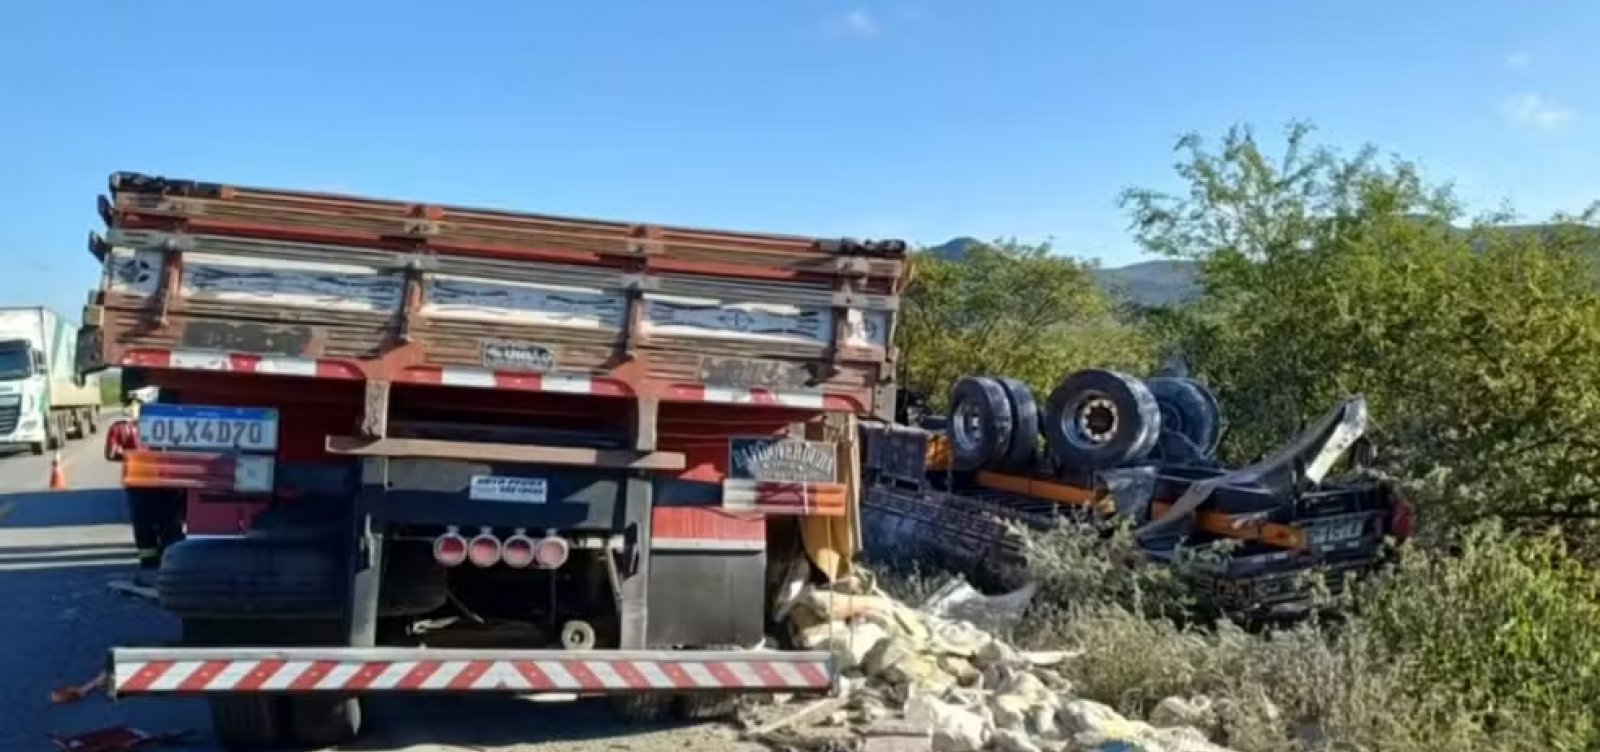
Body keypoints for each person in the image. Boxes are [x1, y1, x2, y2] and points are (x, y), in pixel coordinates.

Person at [106, 395, 185, 584]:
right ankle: (172, 560)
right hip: (169, 480)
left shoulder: (120, 428)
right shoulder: (175, 423)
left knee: (144, 525)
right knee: (171, 522)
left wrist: (133, 457)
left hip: (138, 482)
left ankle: (149, 564)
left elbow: (110, 454)